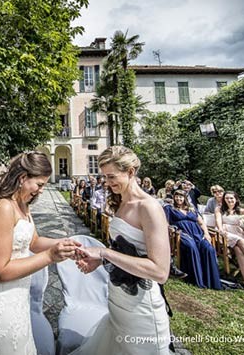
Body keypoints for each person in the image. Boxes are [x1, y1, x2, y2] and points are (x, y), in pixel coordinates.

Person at [0, 151, 80, 355]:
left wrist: (64, 243)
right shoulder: (3, 207)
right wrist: (49, 257)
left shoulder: (22, 204)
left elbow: (34, 241)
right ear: (22, 178)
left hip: (19, 297)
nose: (40, 191)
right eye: (39, 185)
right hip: (1, 301)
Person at [71, 146, 171, 354]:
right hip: (118, 298)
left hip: (142, 305)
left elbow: (160, 272)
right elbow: (127, 250)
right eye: (105, 177)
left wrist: (104, 253)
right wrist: (100, 261)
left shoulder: (149, 207)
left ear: (131, 172)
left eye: (112, 176)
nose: (107, 183)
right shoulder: (122, 203)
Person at [164, 189, 222, 290]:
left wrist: (207, 234)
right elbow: (166, 222)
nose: (178, 198)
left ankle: (210, 279)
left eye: (181, 197)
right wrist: (171, 229)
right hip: (182, 233)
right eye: (177, 196)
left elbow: (201, 223)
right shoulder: (169, 208)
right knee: (191, 246)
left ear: (185, 198)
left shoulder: (191, 208)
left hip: (197, 233)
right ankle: (195, 278)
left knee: (208, 248)